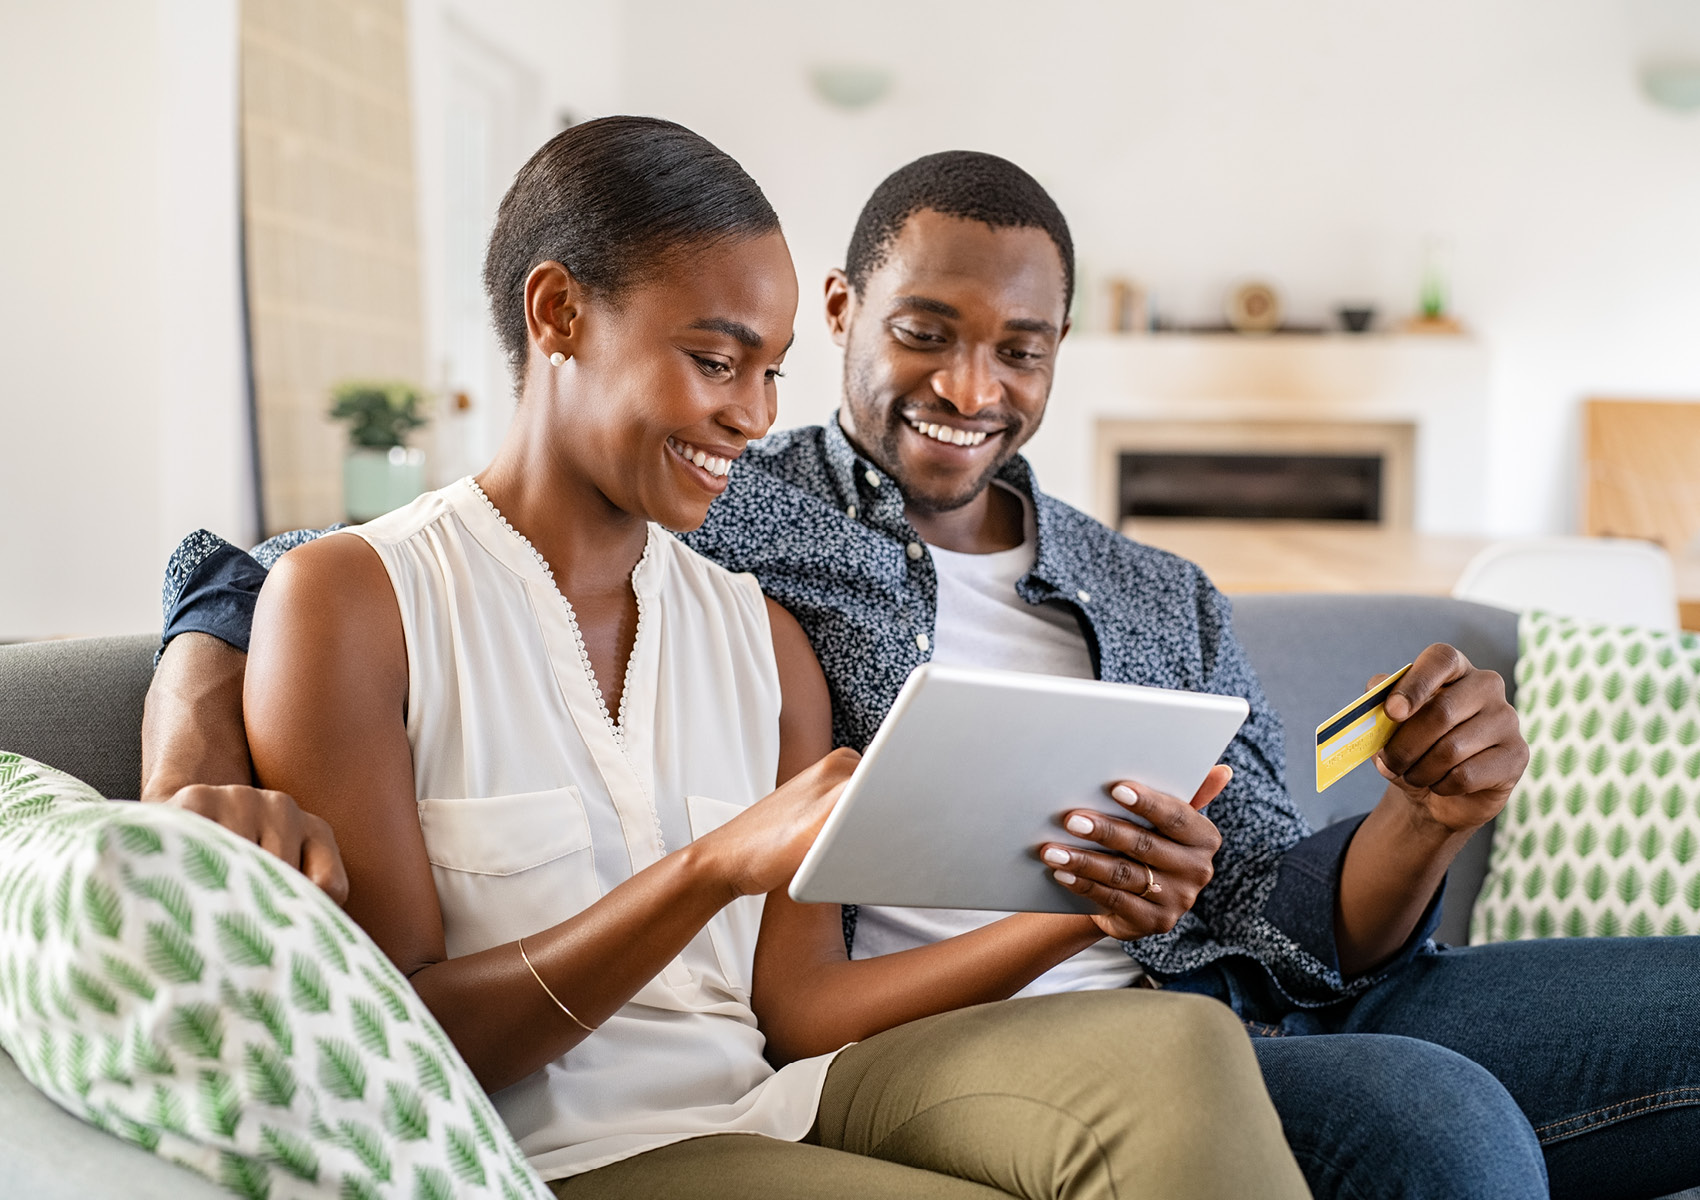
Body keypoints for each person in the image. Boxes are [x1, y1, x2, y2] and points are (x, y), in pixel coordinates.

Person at [146, 147, 1700, 1200]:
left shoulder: (1157, 592)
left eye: (1020, 350)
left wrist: (1426, 819)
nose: (972, 387)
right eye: (926, 332)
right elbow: (267, 570)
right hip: (958, 1051)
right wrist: (190, 760)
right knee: (1443, 1125)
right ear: (844, 317)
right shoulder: (728, 499)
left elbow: (1280, 917)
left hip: (1253, 1008)